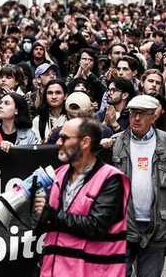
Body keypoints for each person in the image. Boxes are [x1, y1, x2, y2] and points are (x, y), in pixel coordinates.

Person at [112, 95, 166, 277]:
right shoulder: (116, 143)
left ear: (153, 116)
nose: (136, 118)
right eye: (133, 113)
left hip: (157, 225)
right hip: (122, 224)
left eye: (142, 114)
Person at [35, 117, 130, 277]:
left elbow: (96, 227)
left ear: (85, 142)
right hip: (54, 270)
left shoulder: (111, 179)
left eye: (64, 137)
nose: (58, 142)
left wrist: (52, 214)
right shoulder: (59, 174)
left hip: (92, 271)